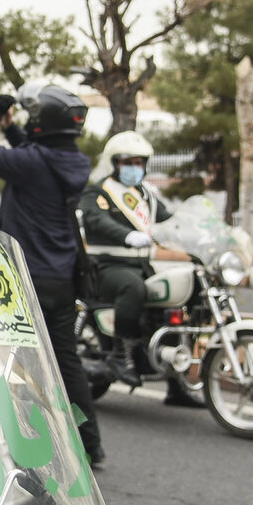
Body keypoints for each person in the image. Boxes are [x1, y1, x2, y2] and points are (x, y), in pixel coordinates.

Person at [0, 84, 105, 466]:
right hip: (61, 278)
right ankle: (89, 445)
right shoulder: (71, 160)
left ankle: (14, 444)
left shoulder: (32, 164)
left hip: (25, 280)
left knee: (7, 361)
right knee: (66, 361)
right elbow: (32, 153)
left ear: (44, 122)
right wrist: (14, 129)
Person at [79, 132, 200, 406]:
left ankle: (176, 382)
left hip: (142, 265)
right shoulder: (98, 192)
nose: (135, 167)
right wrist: (126, 235)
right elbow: (96, 220)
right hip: (107, 266)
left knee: (183, 297)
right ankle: (120, 355)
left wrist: (195, 233)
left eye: (139, 162)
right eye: (128, 162)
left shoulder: (146, 195)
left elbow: (170, 223)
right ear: (114, 163)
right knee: (132, 288)